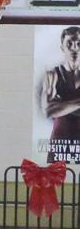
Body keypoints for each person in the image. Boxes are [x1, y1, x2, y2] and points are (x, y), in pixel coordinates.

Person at [43, 25, 80, 162]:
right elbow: (49, 111)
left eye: (78, 43)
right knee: (55, 182)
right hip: (60, 141)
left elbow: (56, 109)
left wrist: (62, 105)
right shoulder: (53, 75)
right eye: (69, 43)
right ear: (62, 48)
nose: (74, 48)